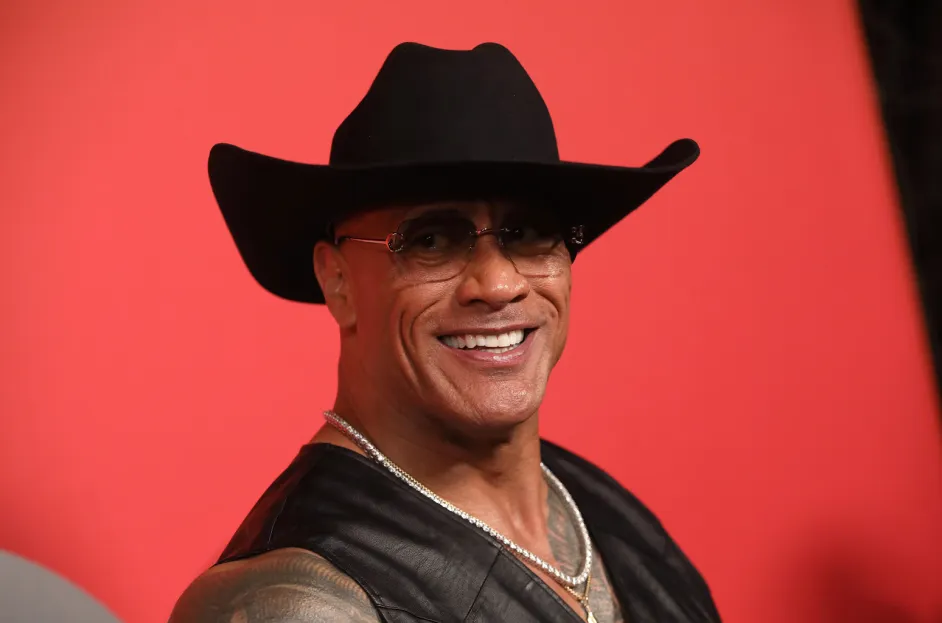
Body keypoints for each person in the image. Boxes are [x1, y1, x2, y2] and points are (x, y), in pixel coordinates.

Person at [169, 42, 720, 623]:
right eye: (431, 240)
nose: (499, 284)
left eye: (529, 233)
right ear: (338, 281)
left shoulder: (609, 517)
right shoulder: (293, 602)